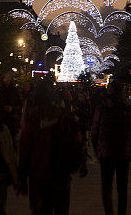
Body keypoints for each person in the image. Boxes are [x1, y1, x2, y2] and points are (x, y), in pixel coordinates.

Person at [19, 79, 87, 215]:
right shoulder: (65, 115)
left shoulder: (32, 117)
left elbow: (25, 148)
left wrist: (22, 176)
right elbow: (78, 139)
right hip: (61, 171)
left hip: (39, 173)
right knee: (61, 208)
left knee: (41, 209)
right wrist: (81, 162)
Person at [92, 80, 131, 215]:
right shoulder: (129, 109)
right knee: (122, 188)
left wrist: (97, 151)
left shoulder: (101, 108)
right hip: (123, 153)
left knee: (107, 187)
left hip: (106, 153)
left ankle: (109, 212)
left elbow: (94, 131)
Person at [0, 73, 22, 141]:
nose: (6, 80)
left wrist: (12, 108)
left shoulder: (15, 90)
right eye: (5, 78)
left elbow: (19, 104)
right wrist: (2, 107)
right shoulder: (0, 90)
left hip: (12, 117)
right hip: (3, 116)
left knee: (12, 136)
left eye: (7, 78)